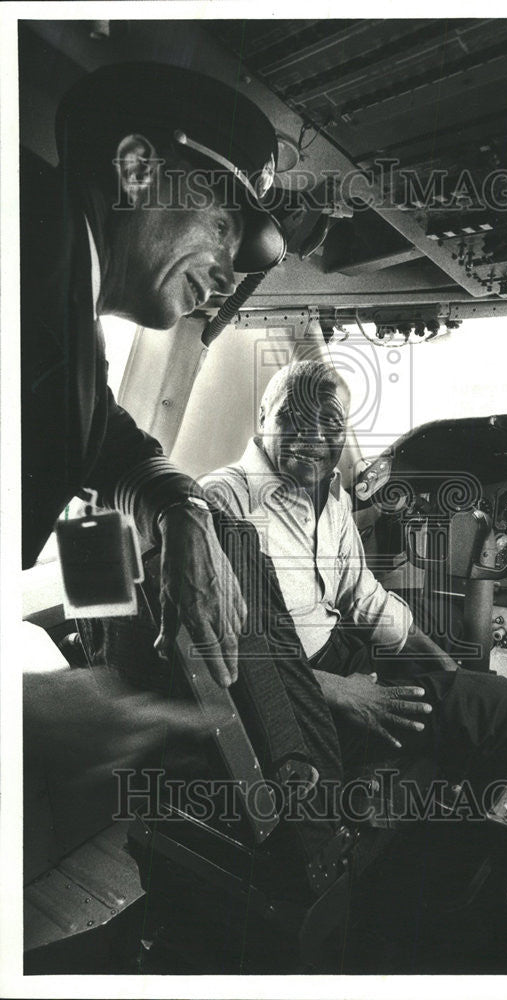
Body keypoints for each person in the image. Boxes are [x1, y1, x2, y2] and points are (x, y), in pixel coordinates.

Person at [20, 61, 290, 861]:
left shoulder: (64, 298)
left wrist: (183, 515)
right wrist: (26, 716)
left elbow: (116, 448)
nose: (231, 268)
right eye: (222, 225)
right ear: (137, 170)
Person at [200, 360, 507, 794]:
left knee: (453, 651)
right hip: (292, 698)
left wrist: (444, 664)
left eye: (331, 422)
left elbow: (359, 592)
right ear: (265, 415)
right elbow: (229, 650)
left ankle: (461, 797)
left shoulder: (331, 493)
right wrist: (342, 692)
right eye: (295, 415)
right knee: (503, 712)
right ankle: (484, 839)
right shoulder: (221, 502)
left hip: (338, 654)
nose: (314, 436)